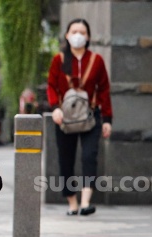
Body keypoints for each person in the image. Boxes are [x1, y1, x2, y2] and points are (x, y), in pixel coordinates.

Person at [47, 18, 112, 216]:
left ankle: (85, 202)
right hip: (64, 117)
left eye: (82, 32)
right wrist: (55, 108)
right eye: (74, 31)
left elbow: (104, 90)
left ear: (89, 37)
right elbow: (51, 86)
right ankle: (72, 203)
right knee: (66, 159)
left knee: (89, 156)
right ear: (67, 35)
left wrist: (107, 119)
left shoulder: (96, 60)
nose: (78, 35)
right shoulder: (59, 60)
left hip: (91, 116)